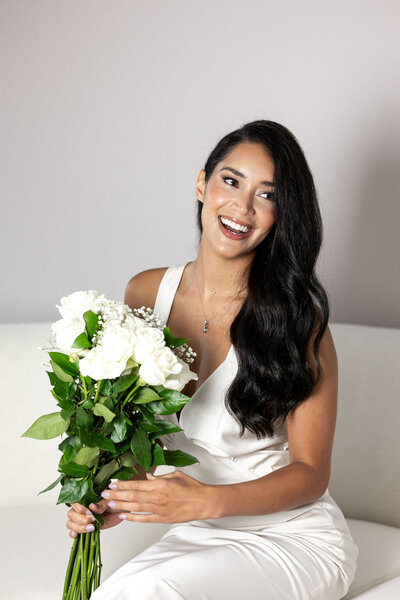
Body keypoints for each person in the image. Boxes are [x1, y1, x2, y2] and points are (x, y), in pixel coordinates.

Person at [66, 119, 359, 599]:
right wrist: (109, 499)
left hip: (293, 537)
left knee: (151, 591)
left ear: (281, 215)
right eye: (231, 181)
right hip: (200, 531)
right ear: (202, 184)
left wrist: (204, 500)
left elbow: (311, 473)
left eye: (267, 195)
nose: (242, 207)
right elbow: (138, 431)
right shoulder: (144, 293)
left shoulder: (299, 323)